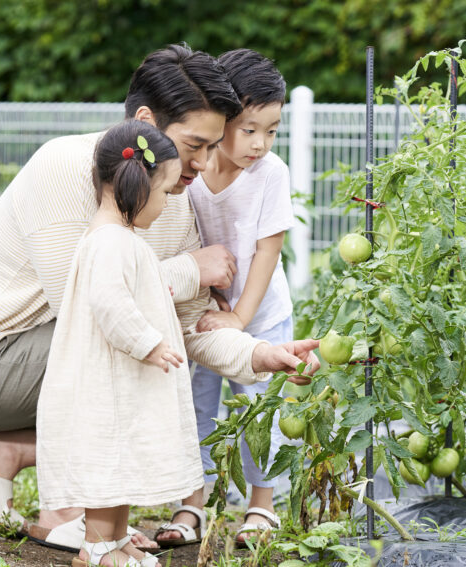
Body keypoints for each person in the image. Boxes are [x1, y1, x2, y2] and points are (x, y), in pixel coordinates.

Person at [0, 44, 321, 553]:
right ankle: (71, 512)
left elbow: (190, 328)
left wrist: (258, 355)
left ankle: (1, 457)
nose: (202, 164)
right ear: (145, 121)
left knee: (156, 350)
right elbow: (89, 306)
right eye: (193, 145)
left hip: (48, 362)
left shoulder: (174, 201)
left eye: (212, 147)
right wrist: (188, 269)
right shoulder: (65, 167)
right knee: (131, 345)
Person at [37, 120, 200, 567]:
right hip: (107, 379)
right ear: (137, 184)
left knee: (121, 465)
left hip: (119, 379)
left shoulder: (120, 238)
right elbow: (110, 304)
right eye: (166, 192)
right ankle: (96, 548)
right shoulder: (110, 241)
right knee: (107, 467)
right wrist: (148, 343)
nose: (167, 205)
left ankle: (116, 539)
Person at [183, 48, 295, 548]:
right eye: (249, 129)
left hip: (263, 314)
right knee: (195, 405)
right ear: (221, 115)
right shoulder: (192, 173)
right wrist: (212, 310)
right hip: (207, 316)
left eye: (272, 130)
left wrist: (242, 317)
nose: (261, 143)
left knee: (258, 408)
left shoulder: (270, 174)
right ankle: (192, 503)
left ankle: (261, 505)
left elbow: (268, 250)